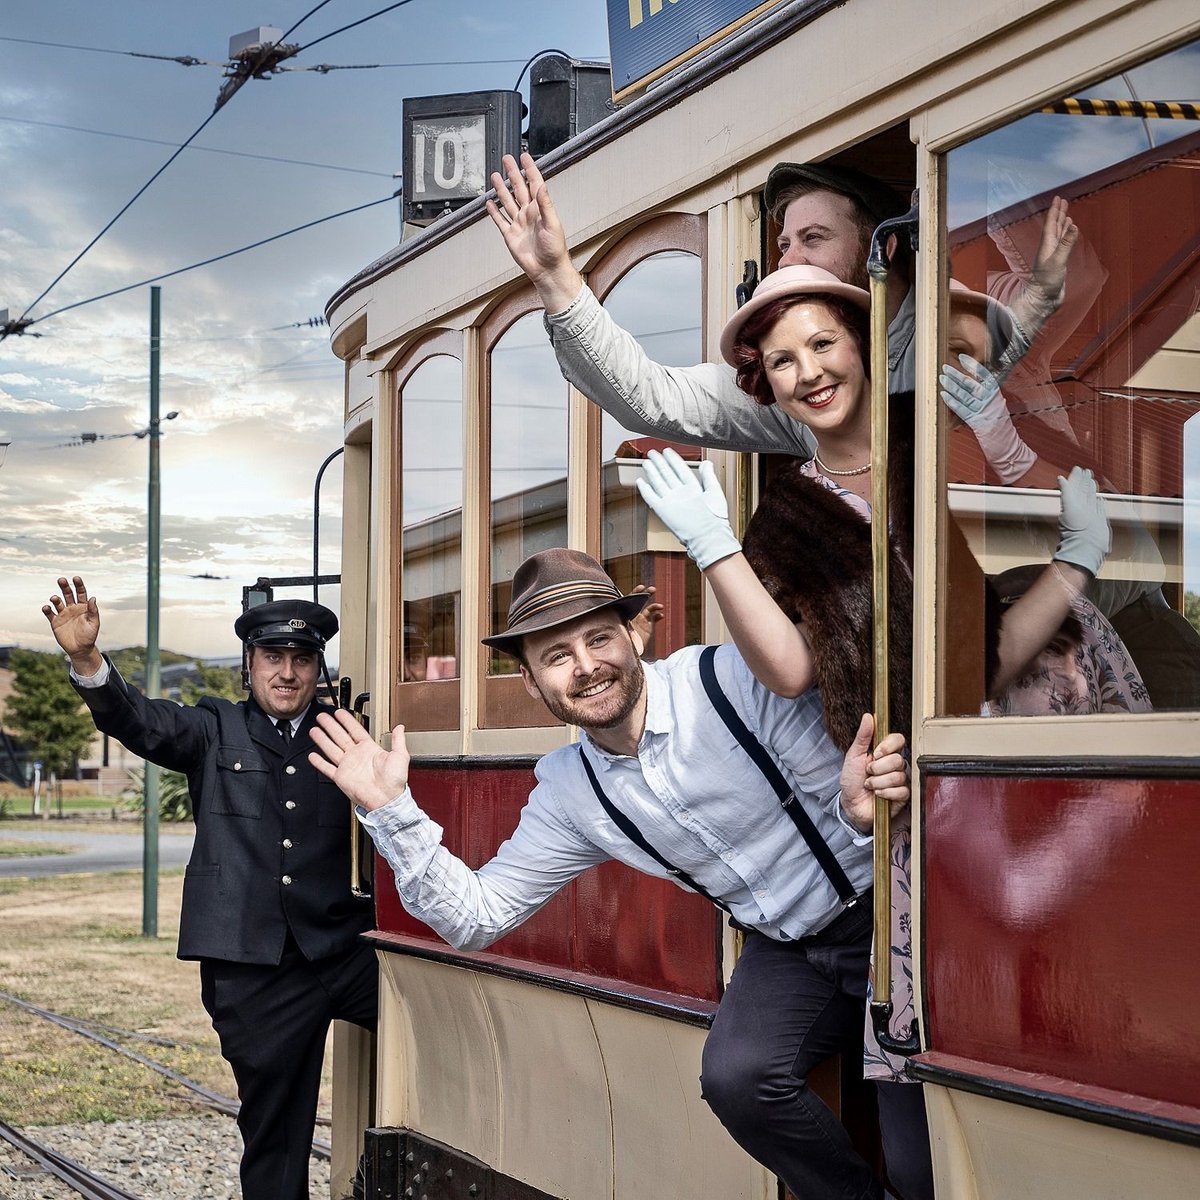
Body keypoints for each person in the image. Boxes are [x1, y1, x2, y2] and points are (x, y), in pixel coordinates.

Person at [635, 266, 1118, 1199]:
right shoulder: (786, 516)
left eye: (821, 344)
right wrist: (714, 544)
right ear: (764, 385)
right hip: (917, 817)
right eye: (780, 361)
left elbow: (987, 652)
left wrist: (1073, 554)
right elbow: (790, 667)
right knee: (919, 1097)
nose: (807, 371)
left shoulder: (935, 442)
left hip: (1028, 782)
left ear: (861, 344)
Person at [309, 547, 912, 1200]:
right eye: (557, 655)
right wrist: (392, 811)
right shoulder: (572, 792)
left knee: (918, 1164)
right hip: (787, 945)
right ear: (535, 685)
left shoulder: (730, 681)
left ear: (634, 637)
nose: (587, 665)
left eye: (598, 638)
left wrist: (857, 817)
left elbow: (856, 795)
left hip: (883, 913)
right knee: (738, 1079)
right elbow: (475, 919)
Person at [42, 577, 377, 1200]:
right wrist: (87, 659)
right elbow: (135, 719)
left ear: (317, 668)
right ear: (248, 666)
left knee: (441, 1018)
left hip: (343, 950)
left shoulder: (345, 735)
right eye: (272, 659)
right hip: (255, 969)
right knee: (276, 1142)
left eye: (301, 660)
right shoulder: (210, 728)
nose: (286, 674)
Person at [486, 152, 1077, 454]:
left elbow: (994, 349)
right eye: (784, 244)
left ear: (885, 246)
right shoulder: (796, 391)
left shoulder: (955, 319)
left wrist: (1044, 294)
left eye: (814, 239)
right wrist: (558, 280)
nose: (790, 259)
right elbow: (654, 398)